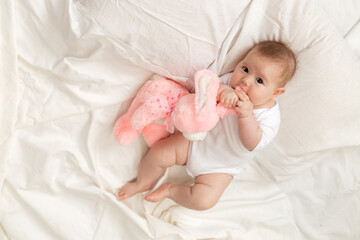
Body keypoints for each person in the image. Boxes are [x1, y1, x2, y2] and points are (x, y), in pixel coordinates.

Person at [117, 41, 296, 210]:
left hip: (221, 166)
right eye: (245, 69)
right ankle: (142, 182)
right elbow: (206, 89)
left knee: (204, 201)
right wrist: (221, 91)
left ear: (276, 93)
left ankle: (170, 190)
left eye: (259, 81)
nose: (246, 81)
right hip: (195, 141)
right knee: (158, 154)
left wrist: (247, 116)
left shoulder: (270, 116)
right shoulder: (229, 83)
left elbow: (252, 143)